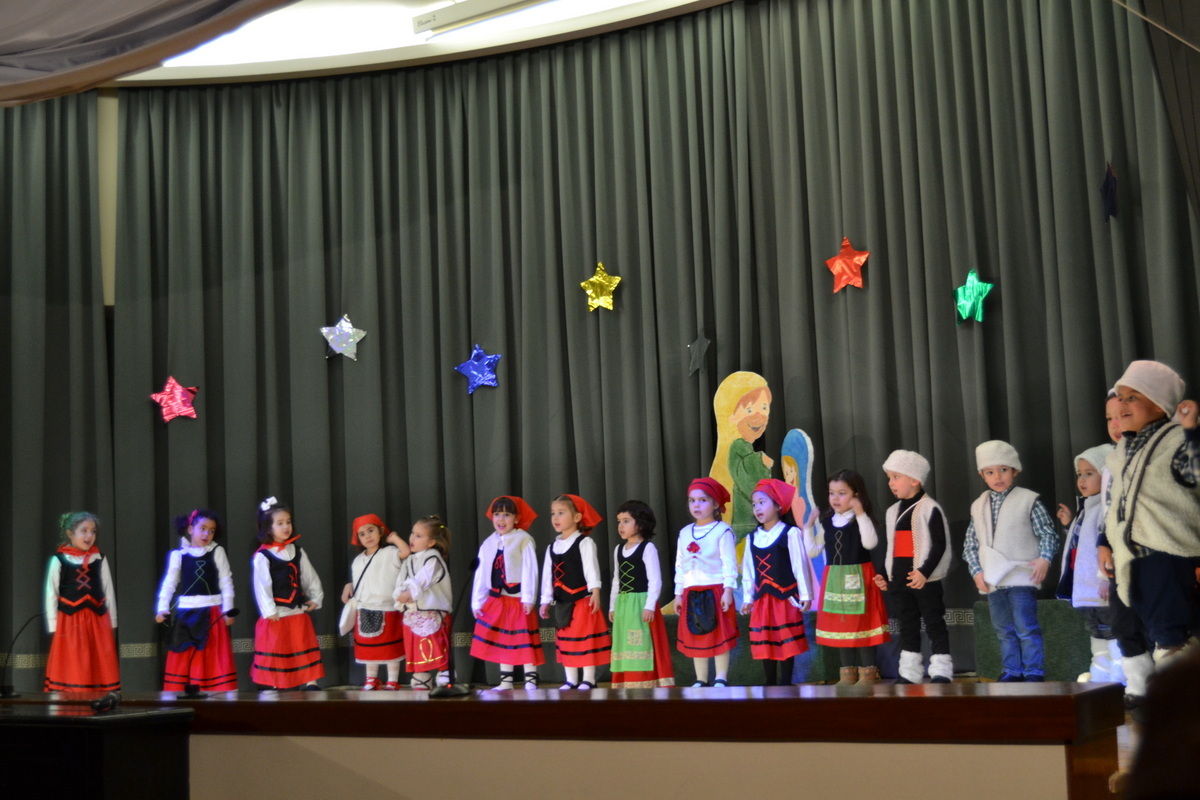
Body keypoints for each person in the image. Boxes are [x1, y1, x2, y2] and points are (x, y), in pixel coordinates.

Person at [1101, 361, 1200, 672]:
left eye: (1133, 397)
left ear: (1159, 404)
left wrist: (1191, 431)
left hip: (1168, 555)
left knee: (1172, 633)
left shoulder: (1178, 439)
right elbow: (1117, 504)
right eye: (1120, 397)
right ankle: (1161, 688)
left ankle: (1180, 693)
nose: (1122, 404)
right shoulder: (1123, 450)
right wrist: (1105, 541)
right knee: (1150, 631)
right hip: (1133, 559)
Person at [962, 441, 1058, 682]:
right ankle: (1012, 670)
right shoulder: (978, 505)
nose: (997, 477)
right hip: (993, 580)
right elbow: (970, 544)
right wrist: (976, 571)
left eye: (1003, 470)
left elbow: (1048, 533)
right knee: (1003, 629)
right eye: (990, 472)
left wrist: (1045, 559)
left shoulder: (1028, 500)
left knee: (1026, 627)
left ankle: (1033, 671)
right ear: (982, 475)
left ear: (1015, 470)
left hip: (1021, 576)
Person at [876, 451, 954, 684]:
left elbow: (939, 544)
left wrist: (924, 572)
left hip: (924, 580)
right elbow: (892, 548)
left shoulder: (929, 508)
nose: (891, 483)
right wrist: (883, 573)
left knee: (934, 622)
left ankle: (941, 670)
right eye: (889, 478)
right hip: (899, 581)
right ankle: (909, 673)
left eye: (896, 477)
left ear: (914, 479)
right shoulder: (892, 512)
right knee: (907, 626)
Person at [813, 470, 889, 685]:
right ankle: (847, 673)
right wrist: (808, 527)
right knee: (841, 625)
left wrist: (860, 513)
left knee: (862, 624)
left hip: (859, 577)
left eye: (842, 493)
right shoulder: (827, 522)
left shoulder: (859, 520)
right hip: (835, 579)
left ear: (856, 494)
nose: (835, 498)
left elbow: (870, 543)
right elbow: (813, 550)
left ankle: (868, 672)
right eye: (832, 493)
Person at [1054, 444, 1119, 681]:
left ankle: (1120, 676)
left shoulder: (1106, 507)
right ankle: (1101, 674)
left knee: (1113, 631)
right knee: (1096, 631)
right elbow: (1080, 544)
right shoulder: (1087, 507)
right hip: (1086, 588)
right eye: (1079, 474)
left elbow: (1109, 544)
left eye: (1089, 473)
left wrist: (1106, 579)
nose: (1082, 480)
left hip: (1101, 587)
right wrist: (1068, 524)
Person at [155, 508, 237, 692]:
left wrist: (228, 610)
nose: (206, 534)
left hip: (212, 614)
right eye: (202, 528)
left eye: (211, 530)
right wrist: (162, 608)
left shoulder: (217, 552)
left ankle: (216, 697)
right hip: (186, 616)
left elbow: (226, 581)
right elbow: (169, 583)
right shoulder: (178, 555)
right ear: (191, 529)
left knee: (211, 656)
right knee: (185, 657)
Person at [740, 479, 811, 686]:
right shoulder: (752, 538)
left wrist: (805, 594)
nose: (757, 508)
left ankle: (786, 682)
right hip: (762, 600)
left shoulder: (790, 533)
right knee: (766, 639)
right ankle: (769, 682)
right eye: (754, 504)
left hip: (785, 598)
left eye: (762, 502)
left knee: (785, 638)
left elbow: (799, 566)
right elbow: (748, 571)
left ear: (779, 505)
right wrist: (747, 598)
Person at [470, 495, 544, 690]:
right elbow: (481, 574)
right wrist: (477, 602)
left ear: (516, 518)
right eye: (497, 514)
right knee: (503, 639)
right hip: (497, 599)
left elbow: (530, 569)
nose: (501, 519)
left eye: (507, 515)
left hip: (518, 599)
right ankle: (506, 681)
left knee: (524, 638)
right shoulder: (488, 543)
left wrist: (528, 597)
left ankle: (530, 679)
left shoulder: (523, 539)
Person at [250, 497, 324, 690]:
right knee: (277, 648)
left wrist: (315, 597)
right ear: (268, 528)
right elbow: (262, 586)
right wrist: (269, 610)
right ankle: (274, 684)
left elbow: (309, 576)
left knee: (302, 645)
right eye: (280, 523)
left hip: (296, 611)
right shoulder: (263, 556)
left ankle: (310, 682)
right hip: (277, 614)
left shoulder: (297, 551)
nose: (286, 527)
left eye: (288, 522)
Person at [539, 494, 612, 690]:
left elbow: (591, 569)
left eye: (561, 513)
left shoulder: (584, 543)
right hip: (563, 603)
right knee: (567, 641)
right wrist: (545, 600)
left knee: (585, 640)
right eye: (553, 513)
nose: (555, 518)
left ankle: (589, 679)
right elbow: (548, 576)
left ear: (577, 517)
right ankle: (571, 679)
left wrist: (595, 591)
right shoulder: (552, 547)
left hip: (582, 600)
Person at [44, 511, 120, 693]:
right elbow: (51, 594)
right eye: (84, 531)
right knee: (73, 662)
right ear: (70, 533)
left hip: (97, 622)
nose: (89, 536)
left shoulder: (99, 559)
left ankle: (99, 699)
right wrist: (54, 625)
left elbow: (108, 592)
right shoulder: (59, 560)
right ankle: (73, 700)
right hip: (70, 623)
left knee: (98, 660)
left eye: (93, 531)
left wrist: (112, 621)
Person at [674, 477, 739, 687]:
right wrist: (678, 593)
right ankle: (701, 679)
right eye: (692, 500)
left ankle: (721, 677)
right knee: (696, 635)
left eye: (703, 500)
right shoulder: (685, 533)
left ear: (715, 504)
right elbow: (680, 565)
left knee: (719, 635)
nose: (696, 505)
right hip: (691, 591)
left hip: (716, 590)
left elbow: (729, 562)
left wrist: (728, 590)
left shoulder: (722, 531)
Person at [608, 500, 675, 689]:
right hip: (624, 605)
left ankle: (646, 681)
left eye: (626, 521)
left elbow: (655, 580)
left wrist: (649, 606)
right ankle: (625, 682)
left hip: (642, 603)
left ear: (640, 523)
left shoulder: (647, 548)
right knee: (624, 643)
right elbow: (616, 580)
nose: (621, 526)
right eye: (619, 521)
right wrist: (613, 606)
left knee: (642, 641)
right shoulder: (618, 549)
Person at [341, 513, 408, 690]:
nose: (367, 536)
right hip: (364, 608)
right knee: (369, 649)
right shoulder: (357, 561)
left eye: (371, 530)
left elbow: (405, 552)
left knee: (390, 648)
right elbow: (359, 582)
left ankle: (392, 680)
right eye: (362, 534)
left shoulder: (390, 552)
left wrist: (395, 539)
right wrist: (349, 586)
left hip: (388, 608)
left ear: (380, 531)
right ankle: (371, 679)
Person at [395, 515, 452, 690]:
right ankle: (421, 676)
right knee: (416, 645)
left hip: (431, 611)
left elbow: (422, 580)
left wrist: (409, 592)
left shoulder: (432, 558)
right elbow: (400, 580)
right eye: (412, 533)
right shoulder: (410, 560)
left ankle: (444, 673)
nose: (412, 538)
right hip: (414, 611)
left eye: (419, 536)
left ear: (431, 542)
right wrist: (399, 594)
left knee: (435, 643)